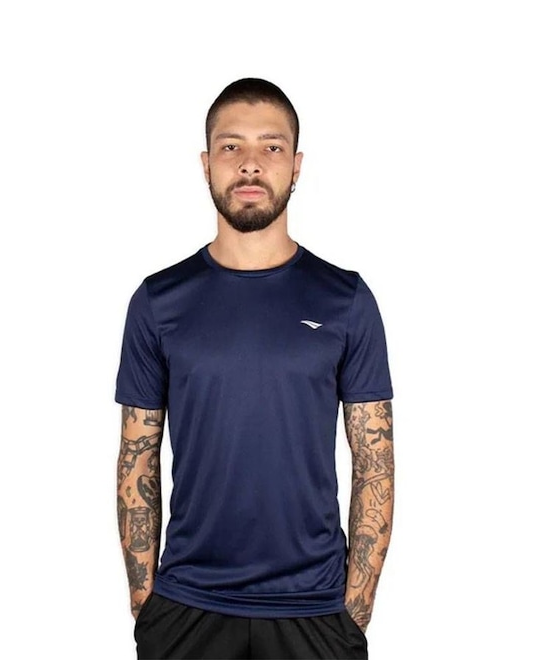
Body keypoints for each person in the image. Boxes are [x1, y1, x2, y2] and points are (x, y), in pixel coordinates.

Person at [115, 78, 394, 660]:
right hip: (186, 607)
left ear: (296, 166)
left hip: (315, 611)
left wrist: (355, 610)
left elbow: (375, 463)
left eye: (271, 146)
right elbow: (137, 456)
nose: (250, 164)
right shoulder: (158, 302)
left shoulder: (346, 300)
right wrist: (147, 605)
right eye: (231, 146)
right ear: (206, 165)